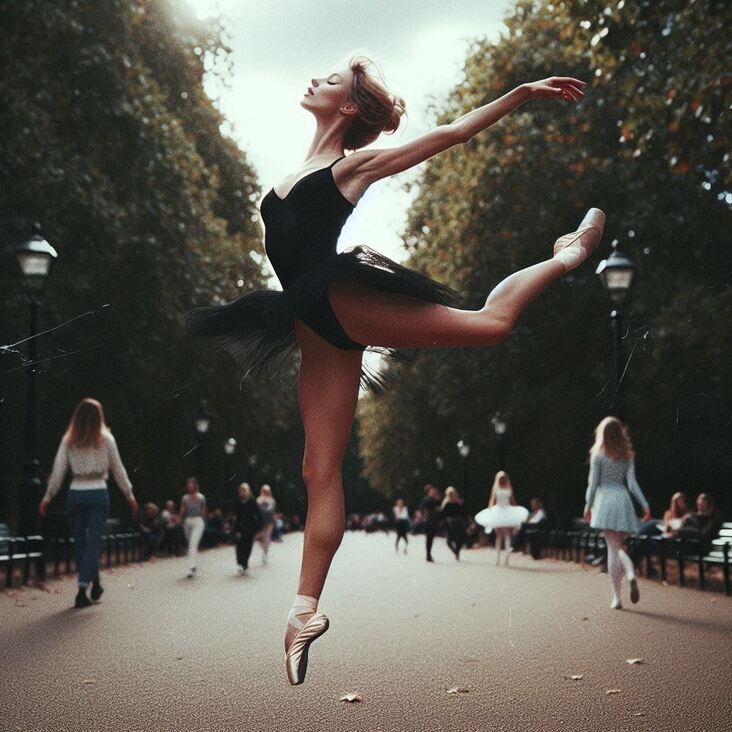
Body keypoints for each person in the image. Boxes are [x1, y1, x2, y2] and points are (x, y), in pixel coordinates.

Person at [187, 53, 600, 685]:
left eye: (330, 81)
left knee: (491, 324)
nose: (315, 80)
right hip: (310, 320)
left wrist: (518, 94)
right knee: (316, 468)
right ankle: (303, 613)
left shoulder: (350, 167)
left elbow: (449, 136)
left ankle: (566, 257)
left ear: (347, 107)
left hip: (338, 299)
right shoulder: (291, 172)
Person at [39, 398, 138, 608]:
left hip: (75, 493)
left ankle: (96, 582)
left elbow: (58, 472)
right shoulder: (107, 439)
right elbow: (118, 470)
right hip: (98, 494)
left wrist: (48, 497)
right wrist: (129, 495)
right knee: (93, 542)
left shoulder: (69, 440)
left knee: (80, 544)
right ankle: (82, 589)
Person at [584, 417, 651, 609]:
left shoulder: (597, 455)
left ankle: (617, 598)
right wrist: (644, 505)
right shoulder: (627, 455)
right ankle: (630, 574)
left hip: (604, 500)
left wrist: (588, 505)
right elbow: (632, 484)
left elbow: (593, 483)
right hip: (622, 500)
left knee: (612, 548)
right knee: (619, 547)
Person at [475, 472, 529, 566]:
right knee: (499, 535)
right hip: (498, 510)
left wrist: (516, 510)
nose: (502, 480)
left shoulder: (509, 488)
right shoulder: (496, 488)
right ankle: (498, 556)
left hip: (507, 510)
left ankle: (507, 555)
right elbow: (492, 500)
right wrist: (490, 511)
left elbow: (512, 500)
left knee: (506, 534)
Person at [179, 477, 207, 578]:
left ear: (195, 485)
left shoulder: (201, 497)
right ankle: (193, 564)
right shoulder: (185, 498)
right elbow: (183, 509)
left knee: (193, 543)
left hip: (198, 521)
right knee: (191, 544)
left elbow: (204, 511)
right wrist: (180, 518)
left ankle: (192, 567)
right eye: (188, 484)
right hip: (188, 521)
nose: (190, 486)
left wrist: (204, 522)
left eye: (192, 484)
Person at [234, 483, 263, 573]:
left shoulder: (252, 501)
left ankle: (245, 562)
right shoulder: (238, 502)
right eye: (241, 490)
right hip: (240, 526)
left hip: (250, 527)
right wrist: (236, 530)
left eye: (244, 490)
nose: (242, 492)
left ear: (248, 491)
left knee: (248, 545)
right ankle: (240, 562)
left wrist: (259, 528)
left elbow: (258, 514)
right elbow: (236, 516)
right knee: (239, 545)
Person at [439, 486, 467, 560]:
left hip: (458, 521)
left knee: (460, 538)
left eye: (453, 494)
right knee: (449, 540)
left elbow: (463, 512)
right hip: (449, 523)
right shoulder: (446, 503)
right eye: (450, 494)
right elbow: (443, 514)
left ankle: (457, 551)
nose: (451, 496)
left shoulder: (458, 502)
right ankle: (455, 551)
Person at [420, 484, 442, 563]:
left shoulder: (436, 500)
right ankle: (428, 554)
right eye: (432, 492)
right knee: (429, 538)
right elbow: (422, 508)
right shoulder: (426, 500)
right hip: (428, 521)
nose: (433, 493)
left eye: (434, 492)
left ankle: (429, 554)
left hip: (434, 521)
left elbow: (440, 509)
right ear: (428, 492)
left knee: (431, 538)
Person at [256, 484, 277, 565]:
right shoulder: (259, 499)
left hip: (269, 520)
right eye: (264, 491)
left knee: (267, 536)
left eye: (267, 491)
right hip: (261, 520)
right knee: (261, 536)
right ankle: (264, 549)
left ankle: (265, 553)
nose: (265, 492)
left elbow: (272, 510)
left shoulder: (272, 500)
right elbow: (257, 510)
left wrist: (274, 519)